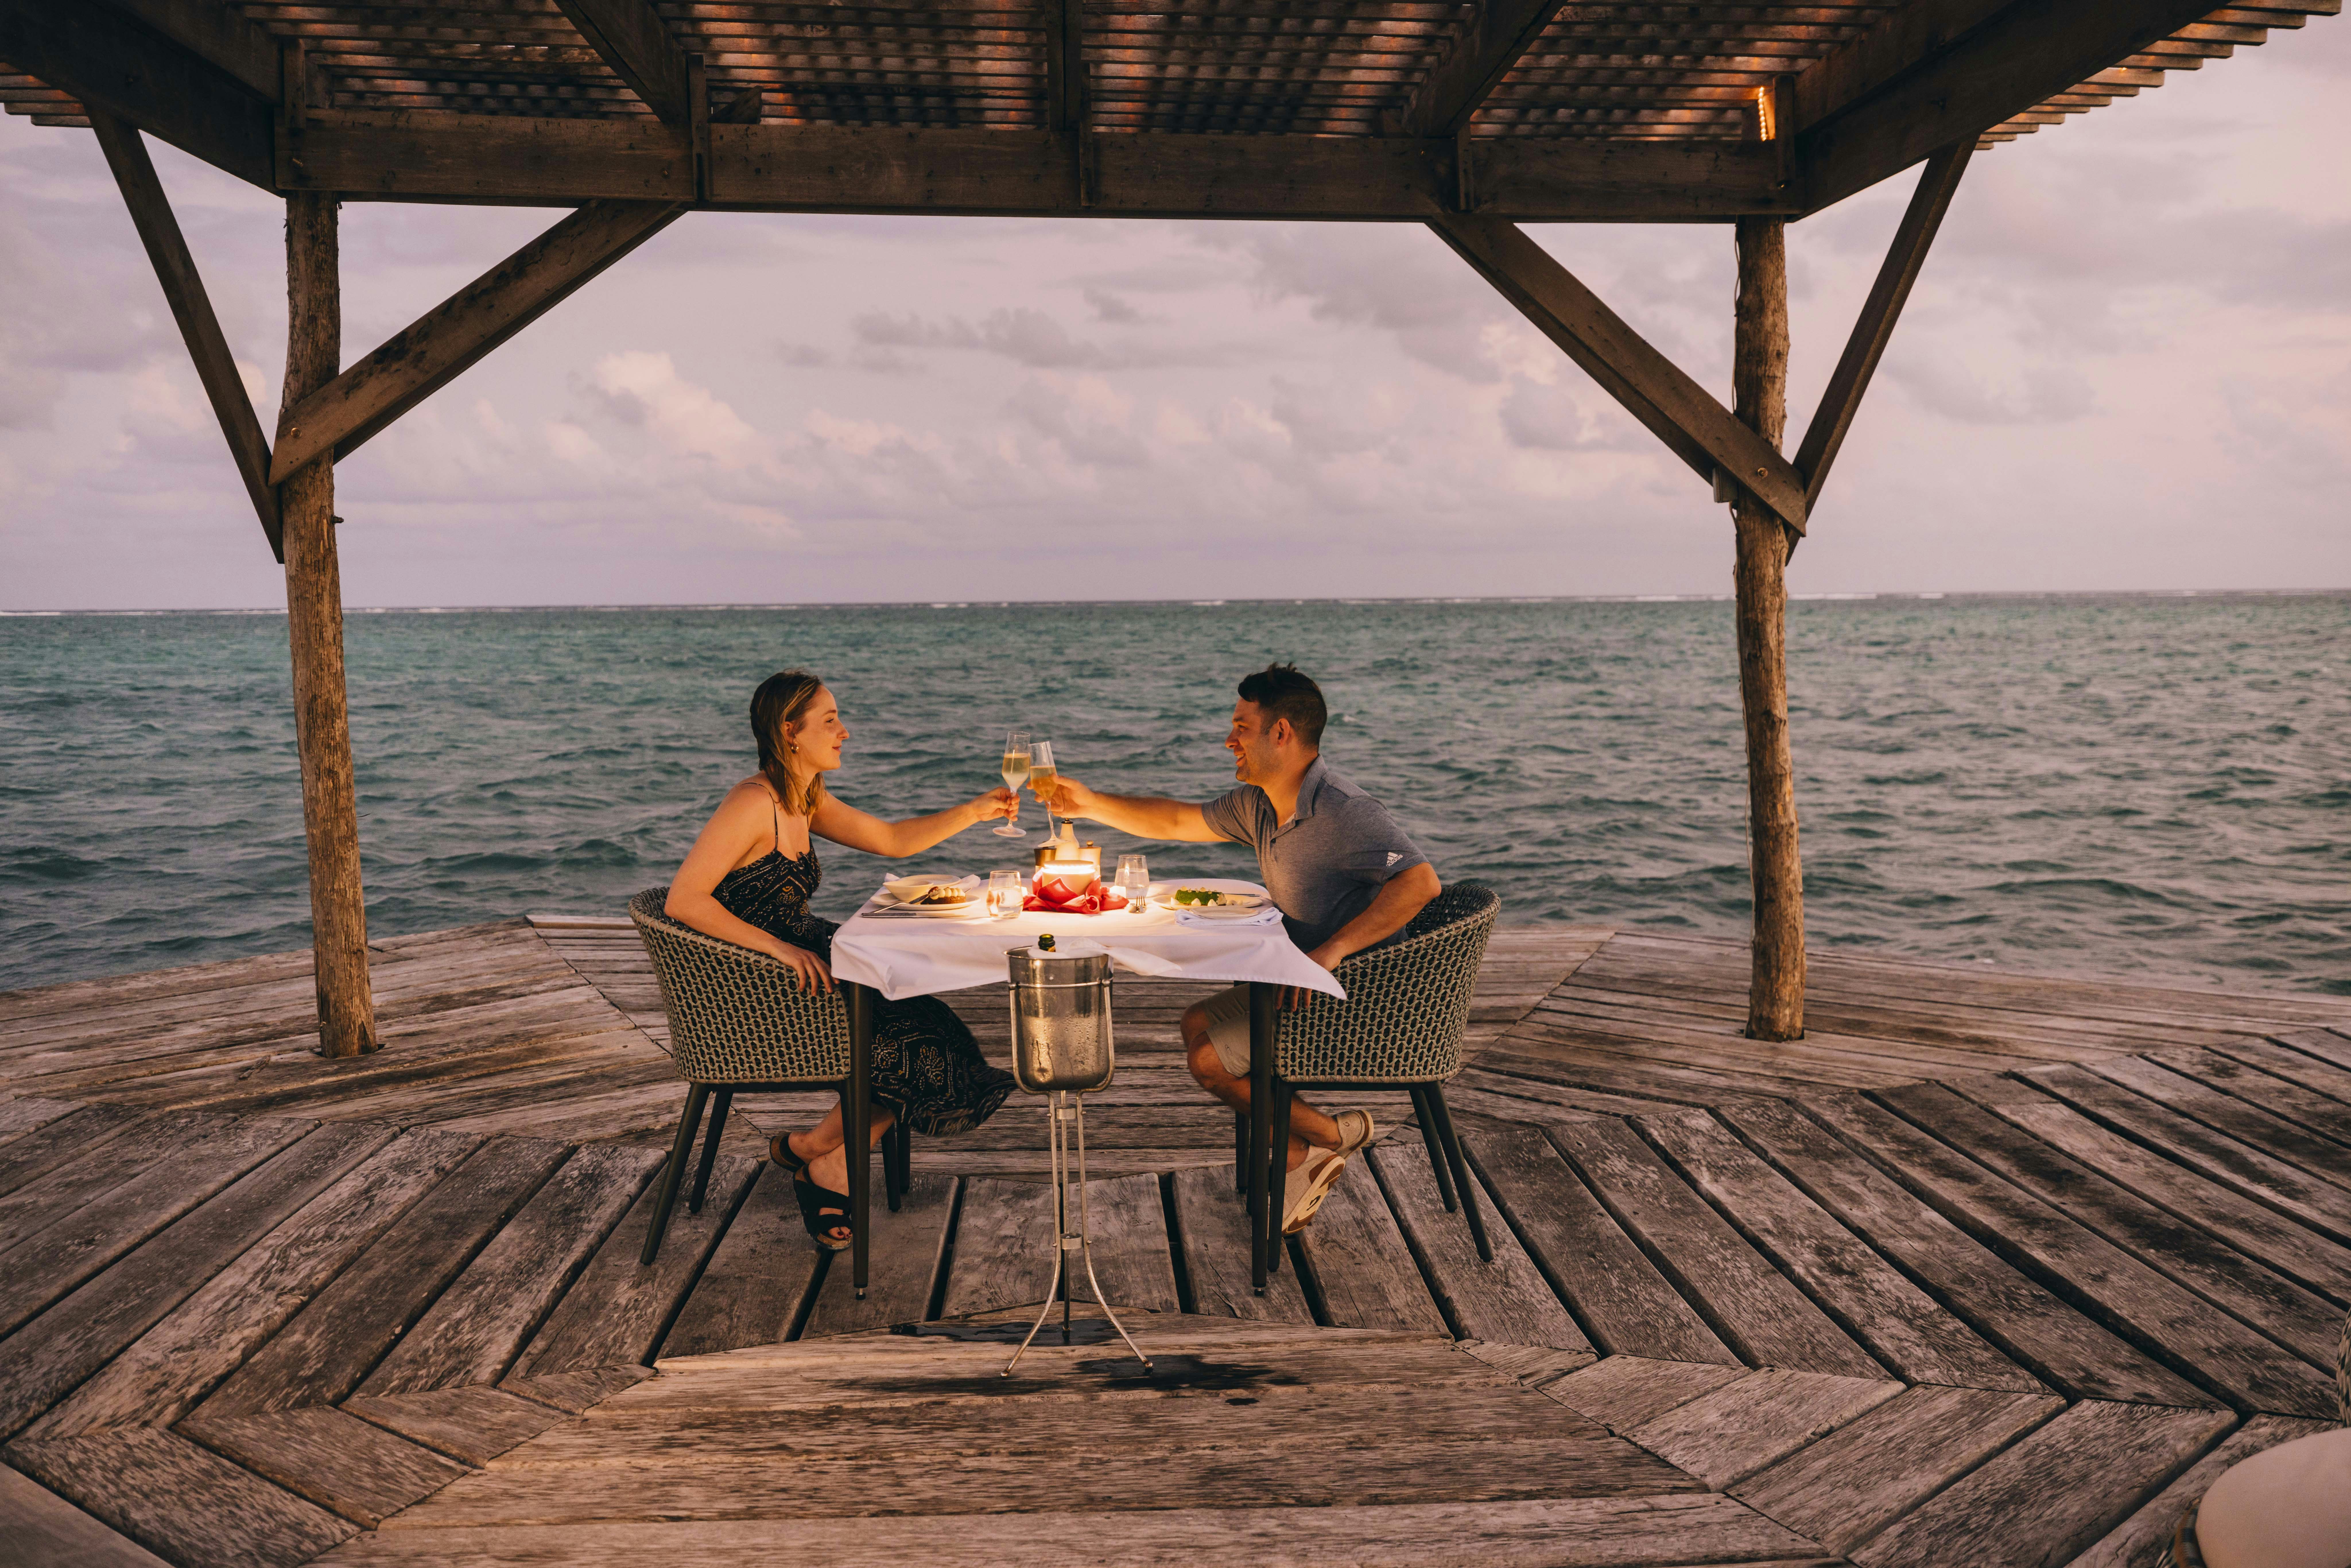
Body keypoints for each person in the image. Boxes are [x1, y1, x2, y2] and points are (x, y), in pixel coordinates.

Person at [1045, 663, 1440, 1233]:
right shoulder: (1260, 803)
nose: (1229, 739)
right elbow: (1179, 818)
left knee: (1209, 1060)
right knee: (1196, 1022)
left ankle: (1325, 1142)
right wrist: (1089, 803)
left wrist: (1328, 952)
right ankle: (1304, 1146)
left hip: (1358, 993)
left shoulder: (1342, 809)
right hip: (1299, 985)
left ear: (1280, 732)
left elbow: (1421, 883)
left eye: (1241, 726)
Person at [666, 670, 1019, 1251]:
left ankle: (811, 1148)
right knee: (918, 1046)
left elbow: (892, 839)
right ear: (790, 731)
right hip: (764, 981)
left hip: (811, 963)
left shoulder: (804, 797)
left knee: (932, 1023)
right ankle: (826, 1168)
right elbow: (684, 900)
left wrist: (975, 810)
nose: (845, 732)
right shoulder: (752, 802)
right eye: (829, 721)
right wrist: (780, 947)